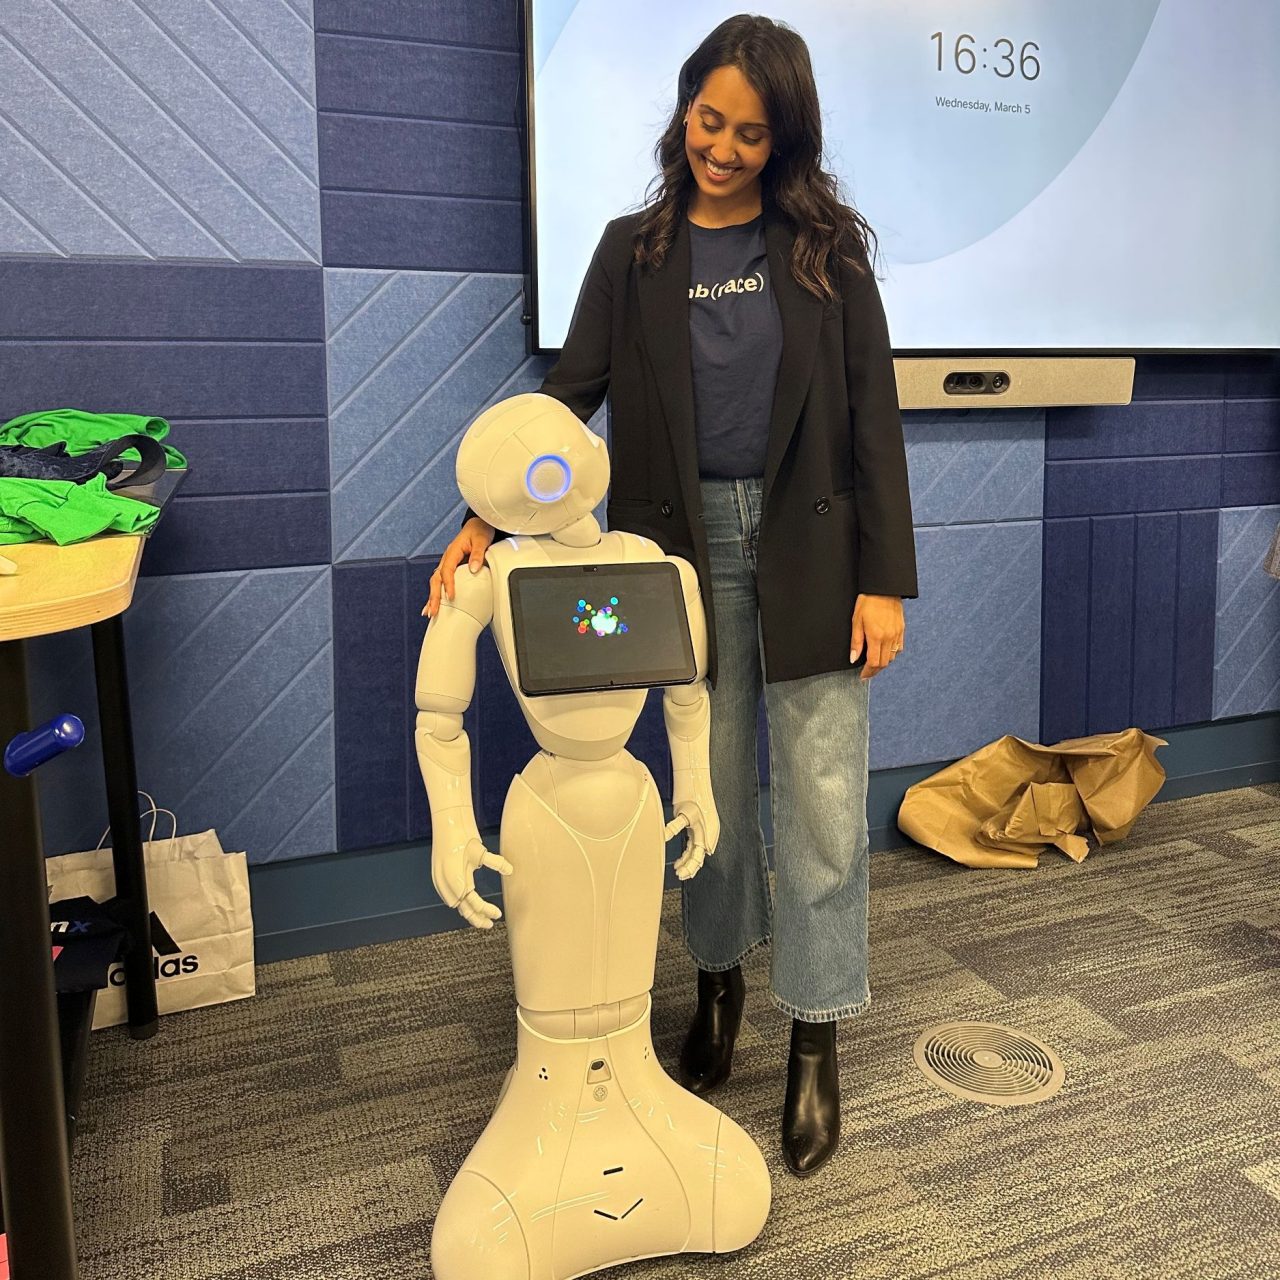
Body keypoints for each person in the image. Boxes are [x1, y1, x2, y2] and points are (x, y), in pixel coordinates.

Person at [426, 13, 917, 1178]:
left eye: (752, 132)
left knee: (817, 801)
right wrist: (484, 515)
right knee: (708, 792)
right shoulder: (631, 250)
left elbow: (871, 420)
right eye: (710, 120)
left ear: (782, 139)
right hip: (678, 557)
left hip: (812, 554)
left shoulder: (827, 254)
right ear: (683, 107)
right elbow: (569, 394)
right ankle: (716, 987)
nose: (725, 148)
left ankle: (812, 1035)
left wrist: (885, 579)